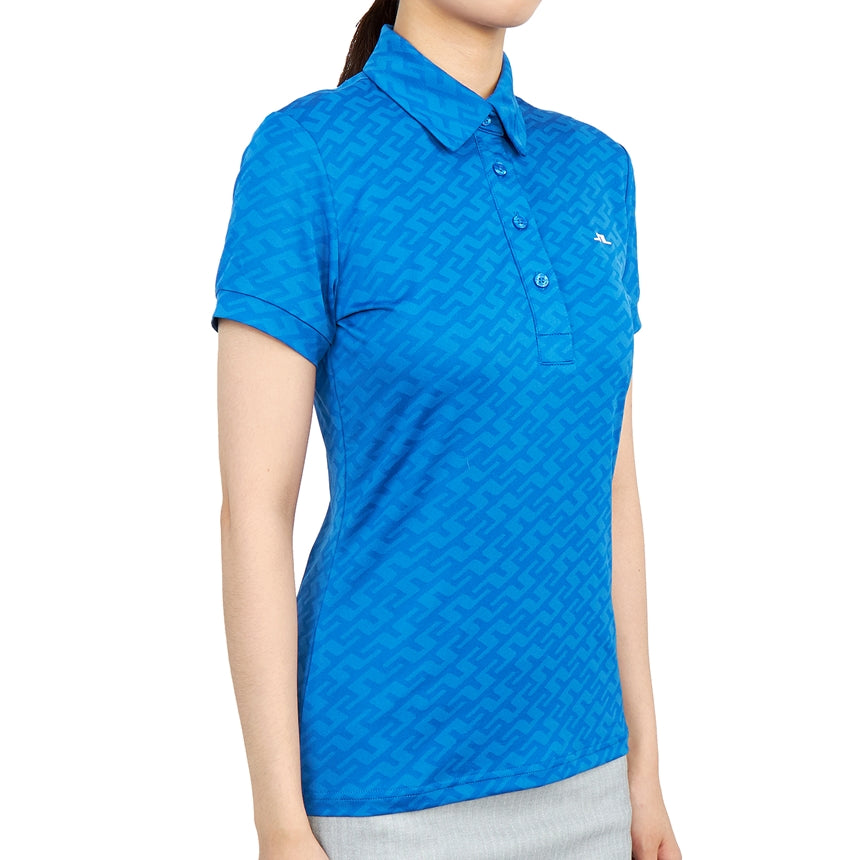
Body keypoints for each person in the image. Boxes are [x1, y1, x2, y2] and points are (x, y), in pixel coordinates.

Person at [211, 1, 681, 858]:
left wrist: (644, 778)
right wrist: (278, 824)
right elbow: (255, 512)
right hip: (384, 798)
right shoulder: (307, 155)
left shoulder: (596, 168)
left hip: (592, 783)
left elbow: (612, 493)